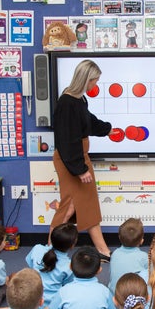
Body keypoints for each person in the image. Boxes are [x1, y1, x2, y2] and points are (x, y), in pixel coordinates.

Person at [49, 59, 114, 259]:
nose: (95, 85)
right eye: (94, 81)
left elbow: (88, 122)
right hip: (71, 161)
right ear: (85, 79)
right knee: (69, 207)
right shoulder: (67, 102)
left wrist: (107, 128)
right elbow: (67, 140)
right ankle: (48, 250)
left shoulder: (79, 100)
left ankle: (102, 250)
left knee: (87, 204)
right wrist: (80, 168)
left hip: (79, 158)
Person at [25, 222, 77, 309]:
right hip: (53, 305)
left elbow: (30, 265)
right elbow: (67, 285)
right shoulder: (69, 265)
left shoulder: (37, 249)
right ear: (72, 245)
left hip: (31, 299)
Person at [108, 217, 149, 293]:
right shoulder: (144, 257)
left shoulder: (115, 254)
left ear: (119, 237)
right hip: (134, 296)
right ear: (141, 240)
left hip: (115, 295)